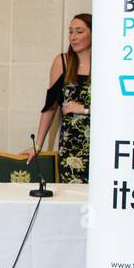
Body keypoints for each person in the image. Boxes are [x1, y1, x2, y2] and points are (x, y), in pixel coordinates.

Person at [27, 14, 91, 183]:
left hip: (101, 143)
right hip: (71, 146)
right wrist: (38, 145)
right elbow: (50, 106)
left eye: (79, 31)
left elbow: (115, 108)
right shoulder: (62, 61)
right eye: (71, 32)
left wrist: (83, 109)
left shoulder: (107, 64)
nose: (73, 37)